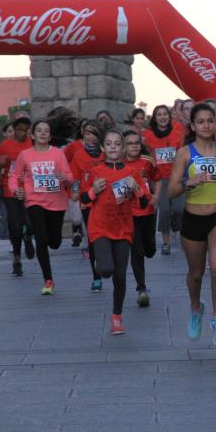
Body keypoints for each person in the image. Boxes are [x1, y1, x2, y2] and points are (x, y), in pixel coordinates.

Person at [168, 103, 216, 346]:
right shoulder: (185, 153)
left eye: (210, 120)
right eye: (200, 121)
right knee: (196, 274)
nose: (205, 125)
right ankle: (195, 308)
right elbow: (170, 191)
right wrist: (188, 182)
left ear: (215, 124)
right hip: (193, 218)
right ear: (193, 126)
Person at [82, 129, 151, 335]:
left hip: (123, 228)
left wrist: (136, 189)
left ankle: (116, 317)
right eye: (109, 143)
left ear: (122, 148)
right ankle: (100, 263)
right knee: (105, 271)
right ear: (103, 148)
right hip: (100, 226)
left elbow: (145, 201)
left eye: (117, 143)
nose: (113, 147)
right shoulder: (96, 171)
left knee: (119, 276)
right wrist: (94, 190)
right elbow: (83, 199)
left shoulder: (132, 172)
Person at [9, 118, 75, 294]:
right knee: (42, 239)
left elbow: (70, 176)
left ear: (50, 135)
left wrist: (65, 178)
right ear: (33, 134)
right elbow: (14, 176)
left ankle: (27, 233)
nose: (43, 133)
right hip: (34, 201)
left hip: (57, 202)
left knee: (54, 243)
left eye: (46, 131)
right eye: (39, 130)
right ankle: (48, 280)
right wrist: (16, 191)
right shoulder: (25, 155)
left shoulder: (58, 154)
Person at [0, 116, 35, 276]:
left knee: (31, 224)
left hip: (31, 190)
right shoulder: (4, 147)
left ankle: (27, 236)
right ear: (14, 129)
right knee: (15, 225)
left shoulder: (33, 144)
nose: (23, 133)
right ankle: (17, 257)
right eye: (19, 130)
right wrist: (0, 164)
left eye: (26, 130)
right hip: (10, 190)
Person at [123, 130, 161, 307]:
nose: (134, 146)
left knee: (149, 250)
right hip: (128, 214)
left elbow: (158, 179)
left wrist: (156, 196)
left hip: (147, 211)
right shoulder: (118, 164)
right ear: (124, 146)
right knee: (136, 250)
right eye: (130, 143)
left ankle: (150, 247)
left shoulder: (147, 161)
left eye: (137, 143)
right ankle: (141, 287)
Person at [143, 104, 184, 254]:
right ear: (155, 118)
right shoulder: (148, 135)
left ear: (169, 116)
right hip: (159, 179)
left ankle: (177, 227)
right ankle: (166, 242)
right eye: (159, 114)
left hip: (177, 176)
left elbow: (184, 150)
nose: (162, 117)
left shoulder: (178, 130)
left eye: (165, 114)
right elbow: (146, 156)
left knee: (178, 210)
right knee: (165, 210)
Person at [70, 120, 106, 289]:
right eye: (87, 133)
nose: (90, 136)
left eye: (94, 133)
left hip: (107, 201)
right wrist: (75, 192)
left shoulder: (106, 153)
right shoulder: (78, 156)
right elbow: (76, 178)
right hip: (87, 201)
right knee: (92, 239)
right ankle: (96, 276)